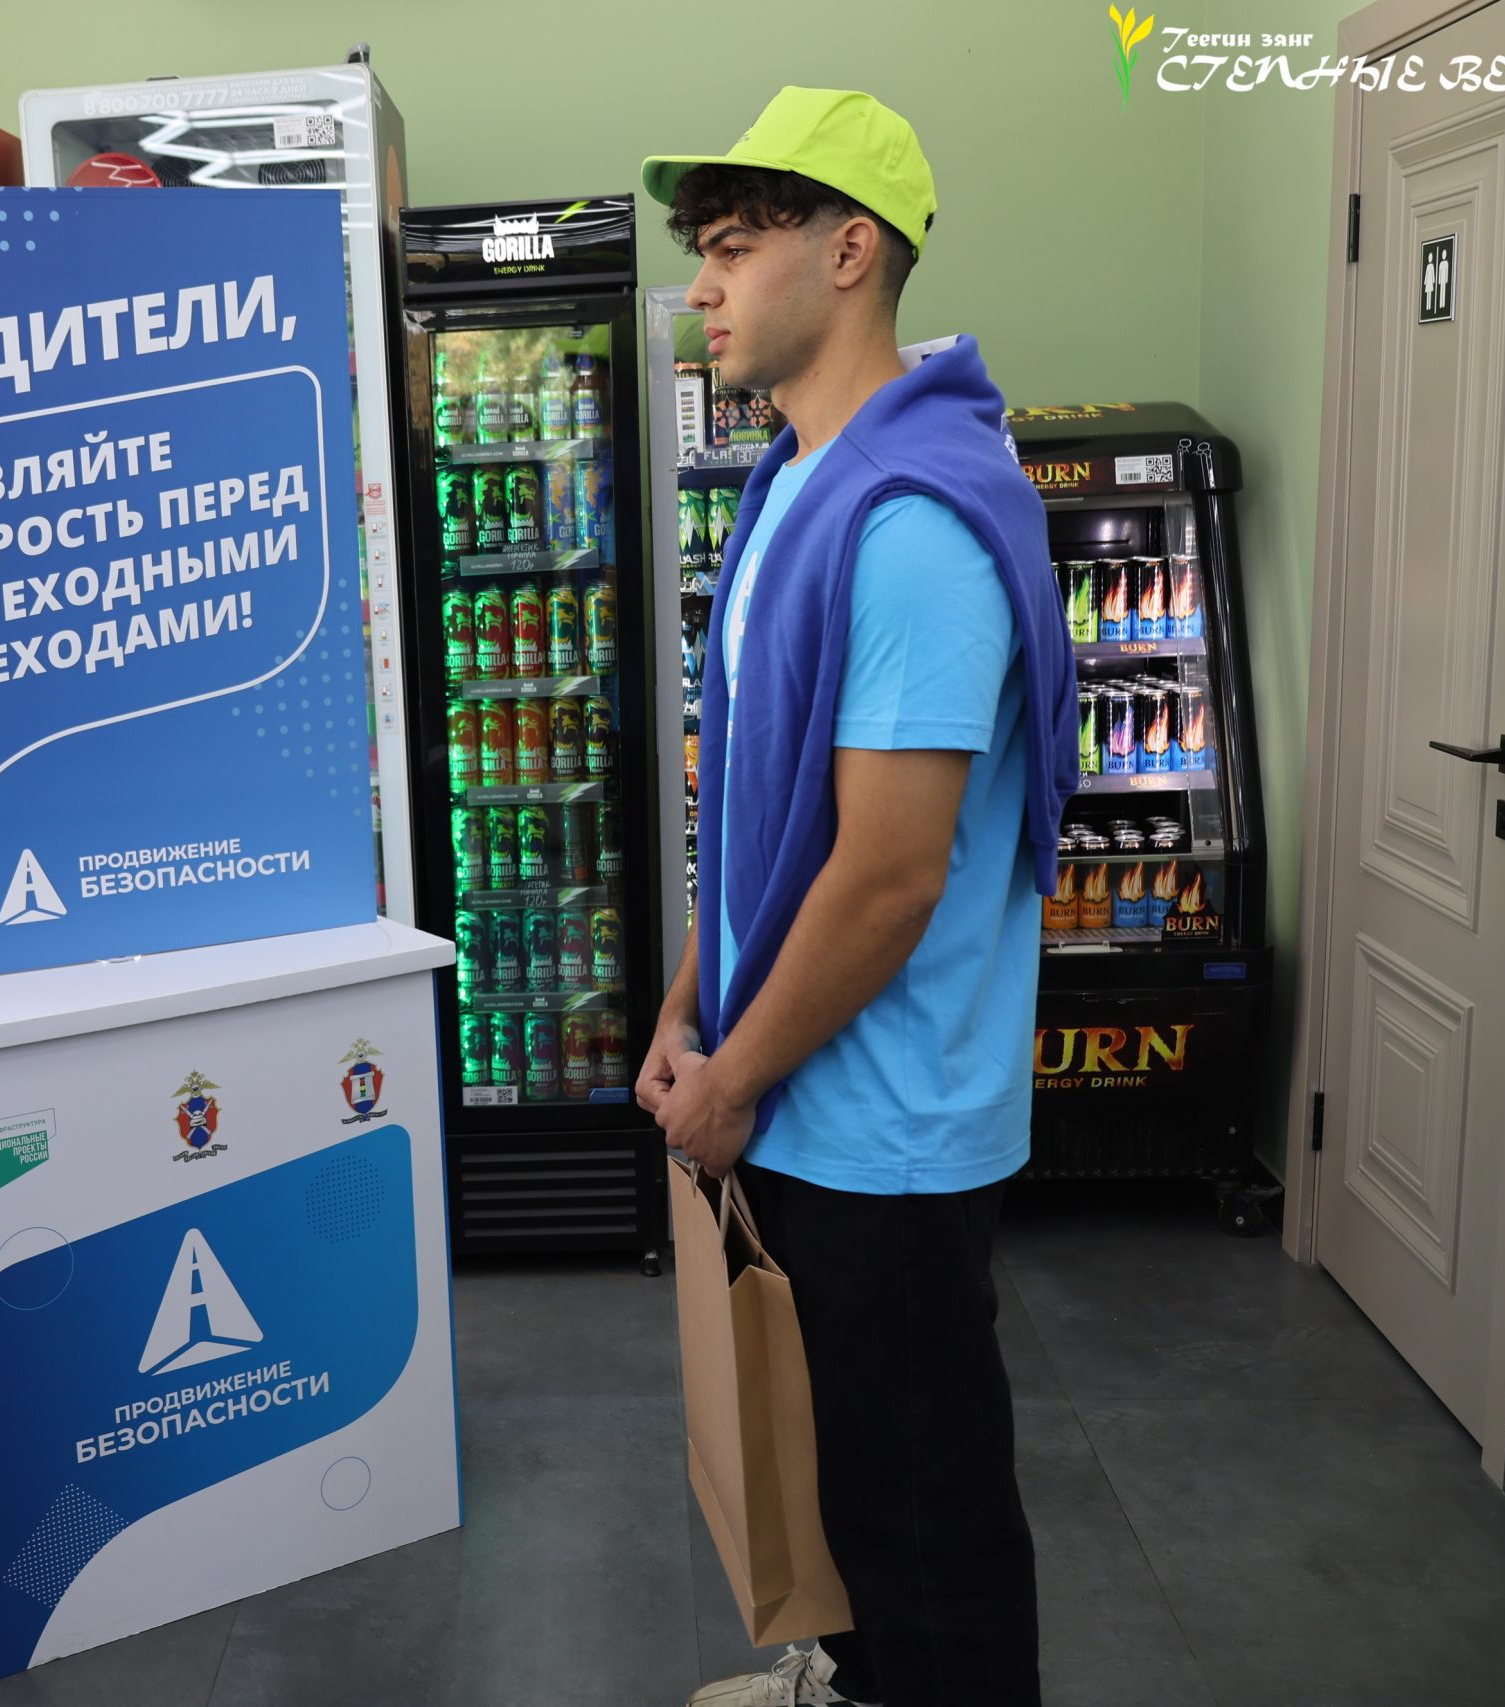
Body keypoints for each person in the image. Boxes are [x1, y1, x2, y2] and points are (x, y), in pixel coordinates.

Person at [635, 89, 1078, 1707]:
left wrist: (730, 1080)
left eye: (731, 249)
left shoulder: (911, 523)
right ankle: (850, 1678)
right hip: (797, 1094)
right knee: (839, 1479)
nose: (701, 288)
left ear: (848, 251)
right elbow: (769, 810)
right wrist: (690, 1004)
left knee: (929, 1525)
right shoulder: (794, 484)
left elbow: (889, 874)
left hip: (880, 1130)